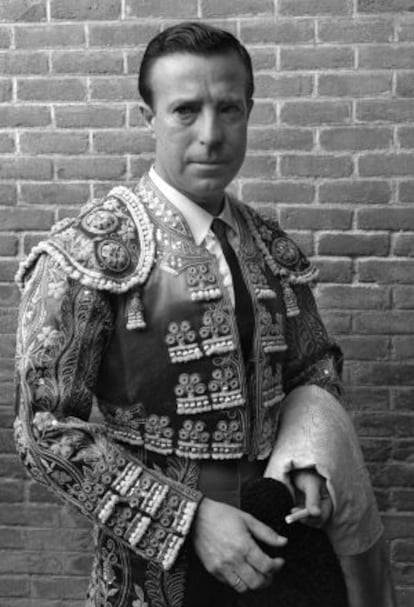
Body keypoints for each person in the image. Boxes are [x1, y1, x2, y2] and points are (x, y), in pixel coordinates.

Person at [14, 22, 395, 607]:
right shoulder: (89, 250)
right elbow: (43, 432)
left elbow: (312, 367)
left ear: (249, 111)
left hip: (280, 533)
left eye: (229, 109)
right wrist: (188, 518)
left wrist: (307, 464)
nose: (211, 135)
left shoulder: (267, 242)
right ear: (149, 117)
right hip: (152, 563)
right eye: (185, 111)